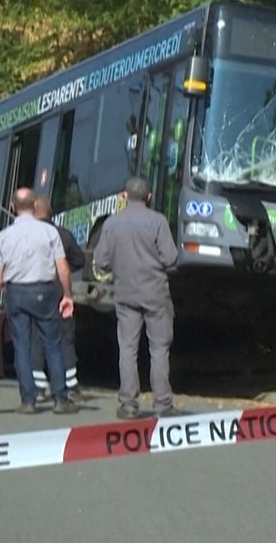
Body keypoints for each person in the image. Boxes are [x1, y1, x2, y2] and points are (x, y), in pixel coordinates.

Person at [93, 176, 181, 419]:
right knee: (159, 348)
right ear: (149, 197)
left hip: (125, 293)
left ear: (124, 196)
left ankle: (129, 404)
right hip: (155, 293)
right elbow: (171, 259)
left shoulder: (111, 224)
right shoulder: (158, 221)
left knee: (128, 348)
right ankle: (162, 403)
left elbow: (100, 261)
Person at [0, 187, 78, 415]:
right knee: (52, 344)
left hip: (16, 292)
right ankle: (60, 398)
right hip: (45, 291)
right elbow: (63, 267)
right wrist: (67, 295)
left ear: (12, 207)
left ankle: (28, 400)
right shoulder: (50, 233)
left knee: (22, 346)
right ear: (35, 204)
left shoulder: (3, 236)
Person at [30, 194, 87, 403]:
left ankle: (38, 385)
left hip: (34, 292)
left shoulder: (26, 237)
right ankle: (71, 384)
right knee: (65, 336)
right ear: (51, 214)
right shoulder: (63, 235)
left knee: (36, 336)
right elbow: (79, 260)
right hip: (60, 291)